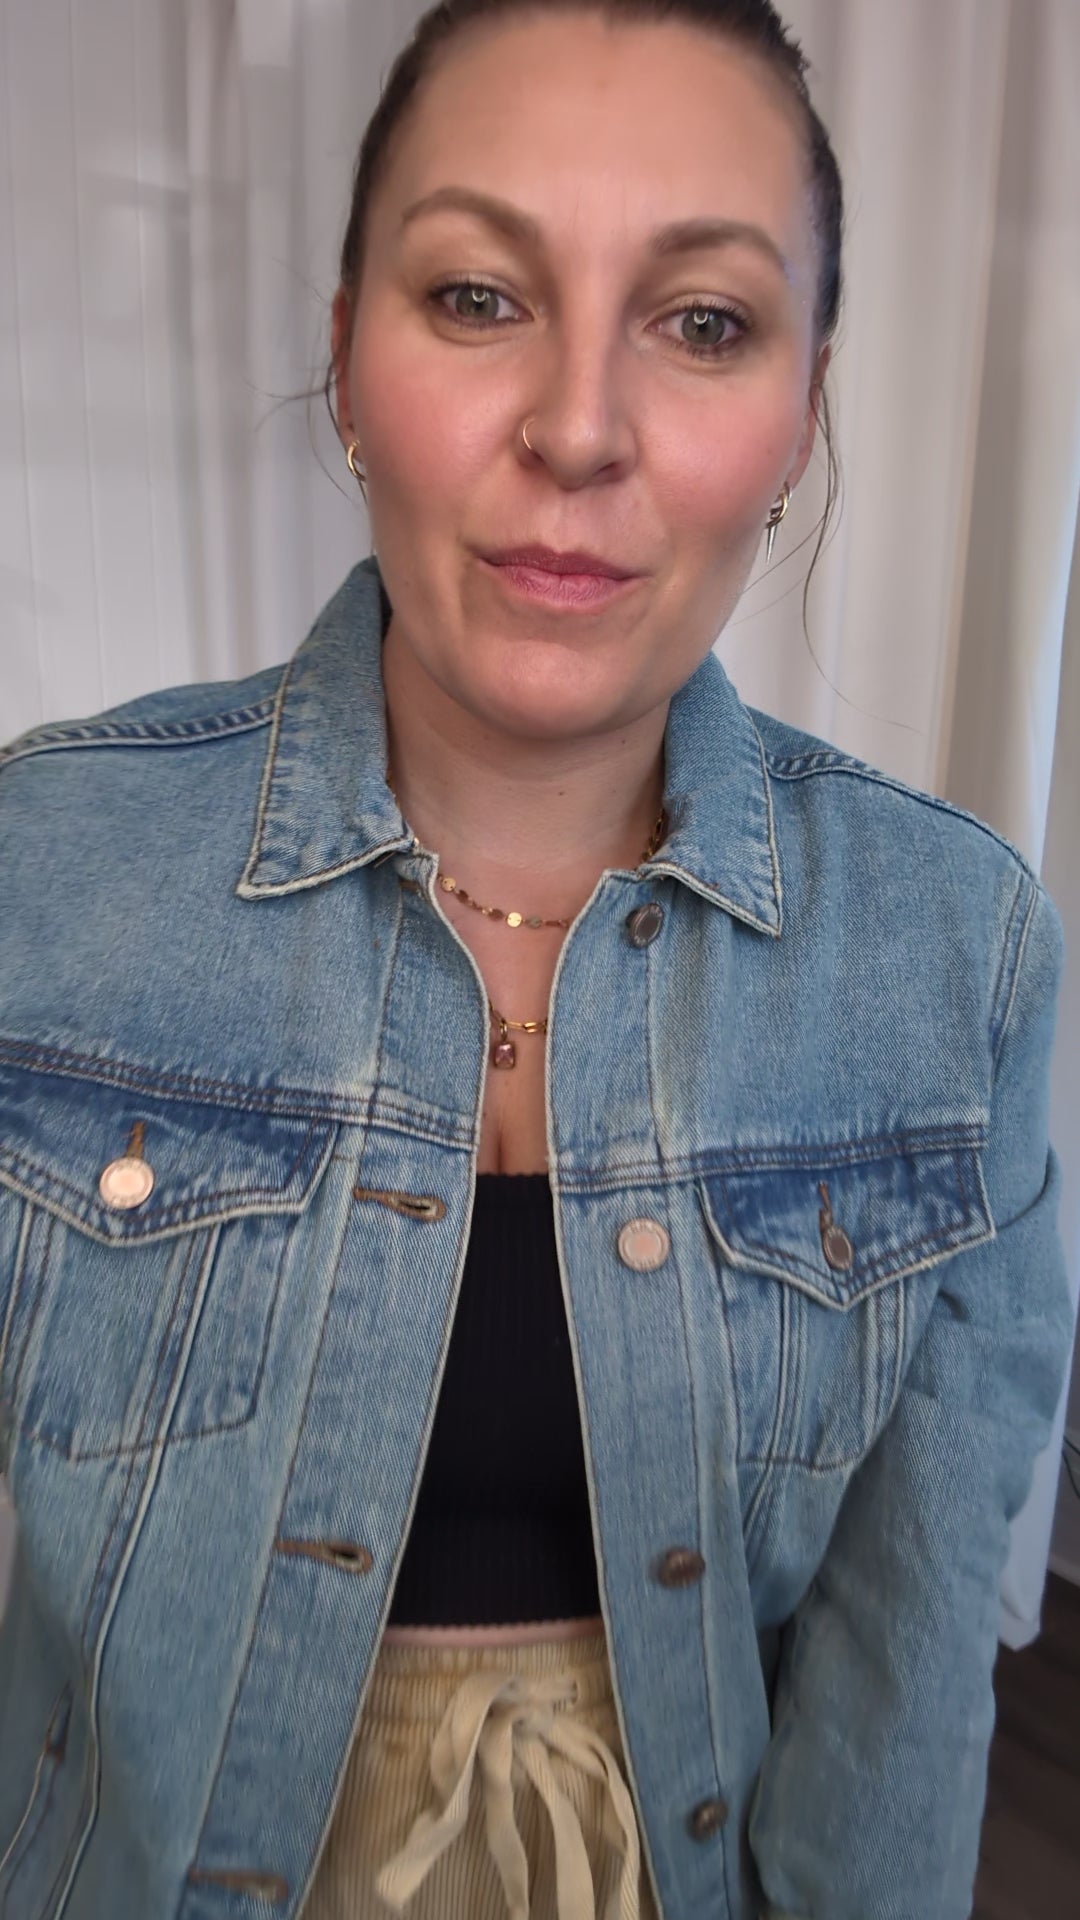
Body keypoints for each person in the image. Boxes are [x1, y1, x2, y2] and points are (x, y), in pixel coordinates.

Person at [0, 1, 1072, 1916]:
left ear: (806, 408)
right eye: (479, 297)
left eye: (705, 322)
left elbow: (902, 1698)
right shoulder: (44, 874)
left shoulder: (949, 954)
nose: (579, 429)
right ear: (347, 357)